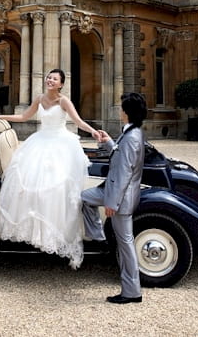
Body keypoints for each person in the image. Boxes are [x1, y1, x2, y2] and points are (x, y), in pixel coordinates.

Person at [0, 69, 104, 269]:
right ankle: (35, 234)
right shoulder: (39, 98)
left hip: (60, 144)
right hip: (40, 141)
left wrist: (94, 132)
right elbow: (24, 117)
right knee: (27, 183)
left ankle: (57, 235)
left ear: (61, 84)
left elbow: (77, 121)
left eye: (54, 79)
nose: (50, 80)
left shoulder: (64, 101)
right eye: (49, 78)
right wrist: (0, 116)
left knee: (56, 187)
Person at [81, 92, 146, 304]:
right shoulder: (131, 132)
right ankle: (98, 237)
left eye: (121, 108)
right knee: (84, 198)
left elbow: (124, 173)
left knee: (126, 244)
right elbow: (120, 156)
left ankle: (131, 292)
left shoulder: (132, 138)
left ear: (126, 112)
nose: (119, 111)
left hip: (120, 198)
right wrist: (109, 142)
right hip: (112, 191)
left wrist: (112, 203)